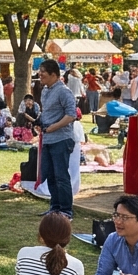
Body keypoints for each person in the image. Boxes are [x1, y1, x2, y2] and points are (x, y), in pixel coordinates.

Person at [35, 59, 79, 217]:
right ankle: (54, 208)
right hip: (47, 139)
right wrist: (40, 123)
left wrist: (54, 126)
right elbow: (46, 112)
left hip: (61, 139)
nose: (40, 75)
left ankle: (66, 210)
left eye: (43, 73)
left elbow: (71, 115)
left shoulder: (64, 91)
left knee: (61, 176)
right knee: (51, 175)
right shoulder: (46, 90)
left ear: (54, 74)